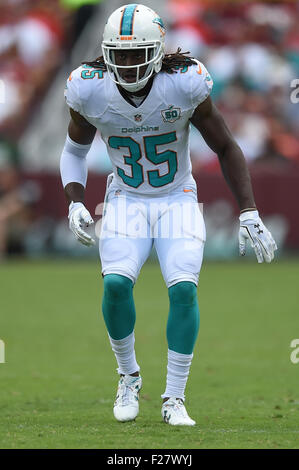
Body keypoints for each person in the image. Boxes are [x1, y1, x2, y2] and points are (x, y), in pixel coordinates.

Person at [60, 4, 277, 426]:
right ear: (105, 52)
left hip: (177, 196)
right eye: (117, 54)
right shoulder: (89, 89)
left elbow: (227, 147)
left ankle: (174, 398)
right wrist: (74, 199)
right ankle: (128, 376)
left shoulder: (184, 82)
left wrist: (249, 211)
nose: (125, 63)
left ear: (157, 51)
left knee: (182, 290)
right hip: (125, 197)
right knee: (117, 285)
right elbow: (74, 150)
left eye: (135, 52)